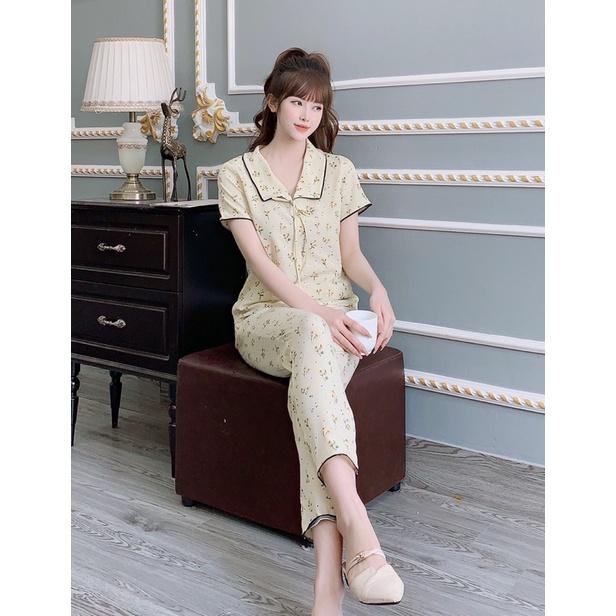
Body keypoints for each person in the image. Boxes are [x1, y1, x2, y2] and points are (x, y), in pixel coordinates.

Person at [217, 48, 404, 614]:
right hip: (266, 319)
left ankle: (328, 587)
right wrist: (321, 315)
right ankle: (356, 523)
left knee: (315, 376)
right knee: (311, 336)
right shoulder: (236, 175)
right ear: (273, 101)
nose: (306, 115)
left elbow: (351, 255)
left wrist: (378, 289)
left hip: (336, 323)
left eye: (317, 106)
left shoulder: (339, 172)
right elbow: (263, 269)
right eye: (297, 102)